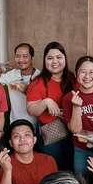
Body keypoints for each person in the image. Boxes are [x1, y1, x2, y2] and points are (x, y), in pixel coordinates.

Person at [26, 41, 75, 171]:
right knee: (55, 169)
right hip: (52, 135)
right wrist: (46, 102)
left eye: (59, 57)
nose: (54, 61)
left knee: (72, 168)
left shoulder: (72, 78)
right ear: (44, 60)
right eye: (50, 58)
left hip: (75, 131)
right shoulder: (38, 82)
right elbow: (31, 110)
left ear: (65, 59)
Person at [0, 42, 41, 126]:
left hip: (36, 126)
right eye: (18, 56)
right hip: (15, 123)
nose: (21, 60)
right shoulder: (11, 74)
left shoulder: (40, 76)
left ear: (32, 58)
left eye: (25, 56)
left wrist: (26, 90)